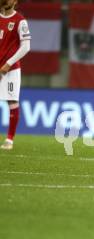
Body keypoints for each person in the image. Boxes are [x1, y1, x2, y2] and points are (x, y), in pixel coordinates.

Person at [0, 0, 31, 150]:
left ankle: (9, 140)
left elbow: (26, 47)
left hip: (10, 70)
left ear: (15, 2)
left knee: (12, 101)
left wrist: (8, 64)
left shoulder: (20, 21)